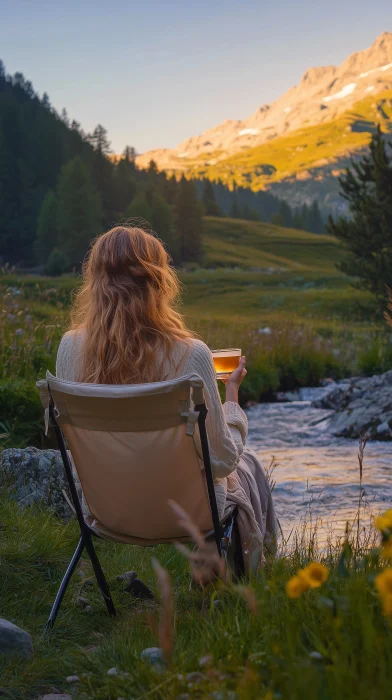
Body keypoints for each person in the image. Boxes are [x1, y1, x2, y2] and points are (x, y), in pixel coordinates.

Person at [56, 225, 277, 570]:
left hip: (106, 511)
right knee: (248, 464)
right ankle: (250, 573)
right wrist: (231, 399)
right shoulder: (192, 354)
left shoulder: (70, 348)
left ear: (94, 281)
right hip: (191, 514)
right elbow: (221, 462)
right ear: (158, 281)